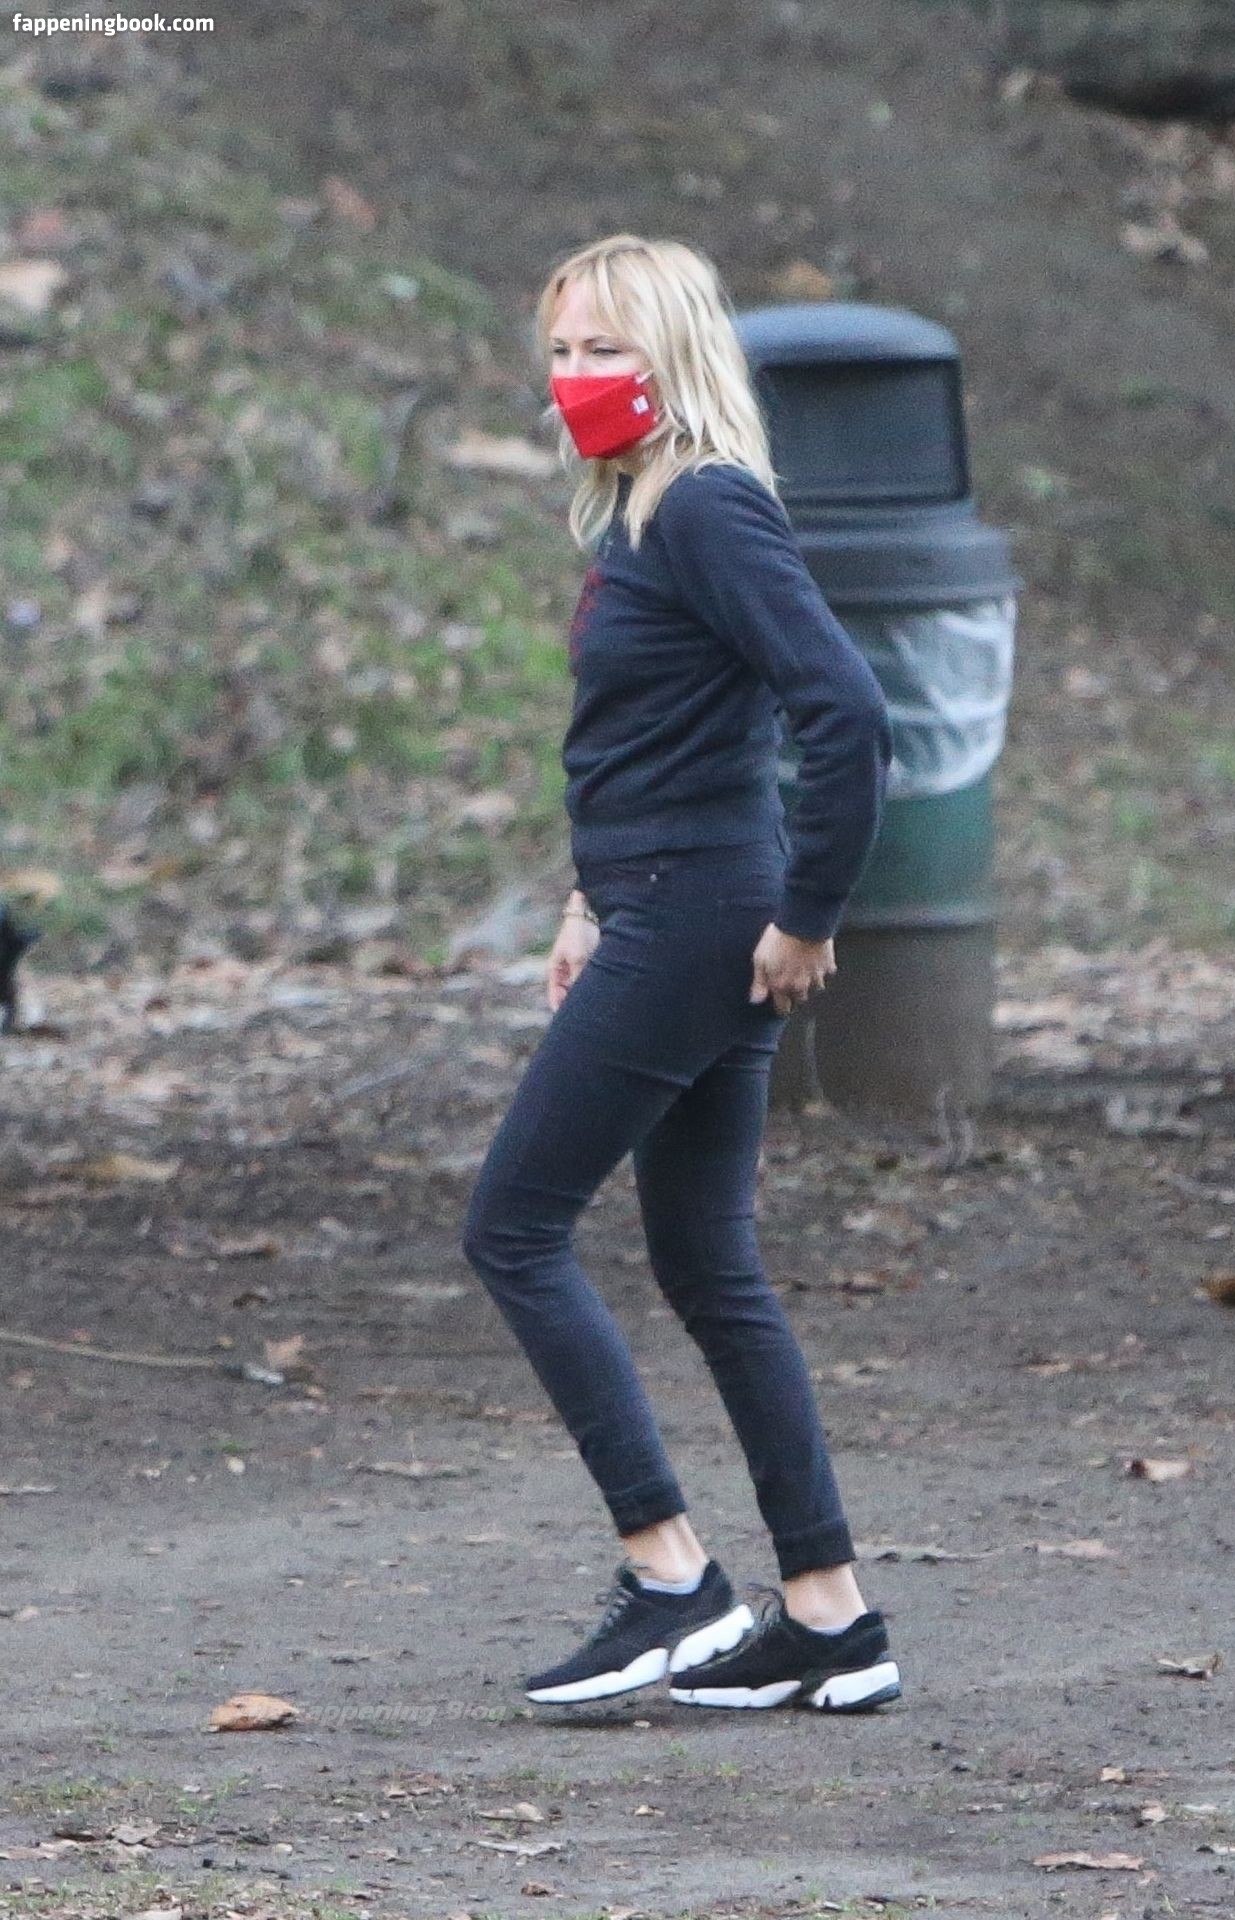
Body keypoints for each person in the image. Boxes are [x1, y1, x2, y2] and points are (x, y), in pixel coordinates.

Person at [462, 234, 902, 1715]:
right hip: (666, 903)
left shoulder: (706, 504)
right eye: (561, 351)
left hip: (700, 918)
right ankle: (832, 1618)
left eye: (605, 350)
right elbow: (660, 743)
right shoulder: (646, 511)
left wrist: (809, 913)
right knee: (710, 1266)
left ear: (674, 357)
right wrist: (585, 897)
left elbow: (847, 712)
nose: (573, 377)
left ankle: (671, 1578)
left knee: (514, 1228)